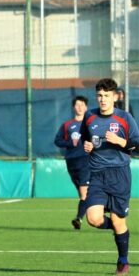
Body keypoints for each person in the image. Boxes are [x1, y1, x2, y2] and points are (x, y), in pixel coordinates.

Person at [81, 78, 139, 276]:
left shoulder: (125, 118)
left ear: (115, 97)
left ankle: (123, 260)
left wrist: (122, 142)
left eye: (107, 96)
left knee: (118, 220)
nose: (103, 99)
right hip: (97, 174)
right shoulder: (89, 116)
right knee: (93, 219)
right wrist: (87, 146)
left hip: (120, 175)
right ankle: (117, 229)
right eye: (99, 95)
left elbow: (138, 145)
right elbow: (86, 138)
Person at [54, 95, 90, 229]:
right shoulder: (67, 125)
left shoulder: (91, 123)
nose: (80, 107)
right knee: (84, 194)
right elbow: (57, 140)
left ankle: (79, 218)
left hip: (86, 160)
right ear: (73, 107)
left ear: (86, 107)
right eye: (77, 105)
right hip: (71, 161)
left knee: (83, 192)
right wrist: (70, 142)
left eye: (82, 105)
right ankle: (98, 206)